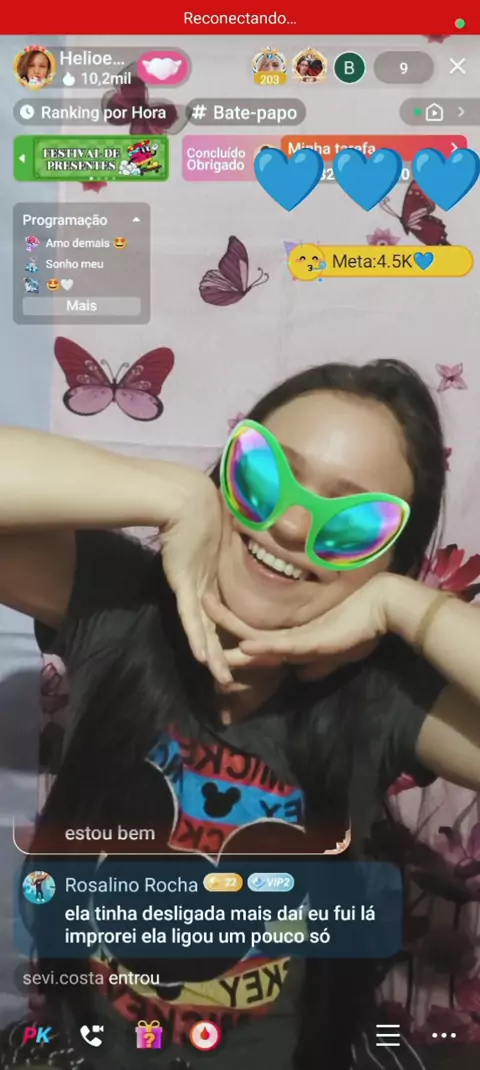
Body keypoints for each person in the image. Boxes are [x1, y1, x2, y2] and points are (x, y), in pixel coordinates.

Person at [1, 360, 480, 1070]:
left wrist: (402, 606)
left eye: (353, 523)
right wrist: (174, 494)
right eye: (262, 475)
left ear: (388, 559)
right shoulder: (120, 605)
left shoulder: (383, 696)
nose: (289, 523)